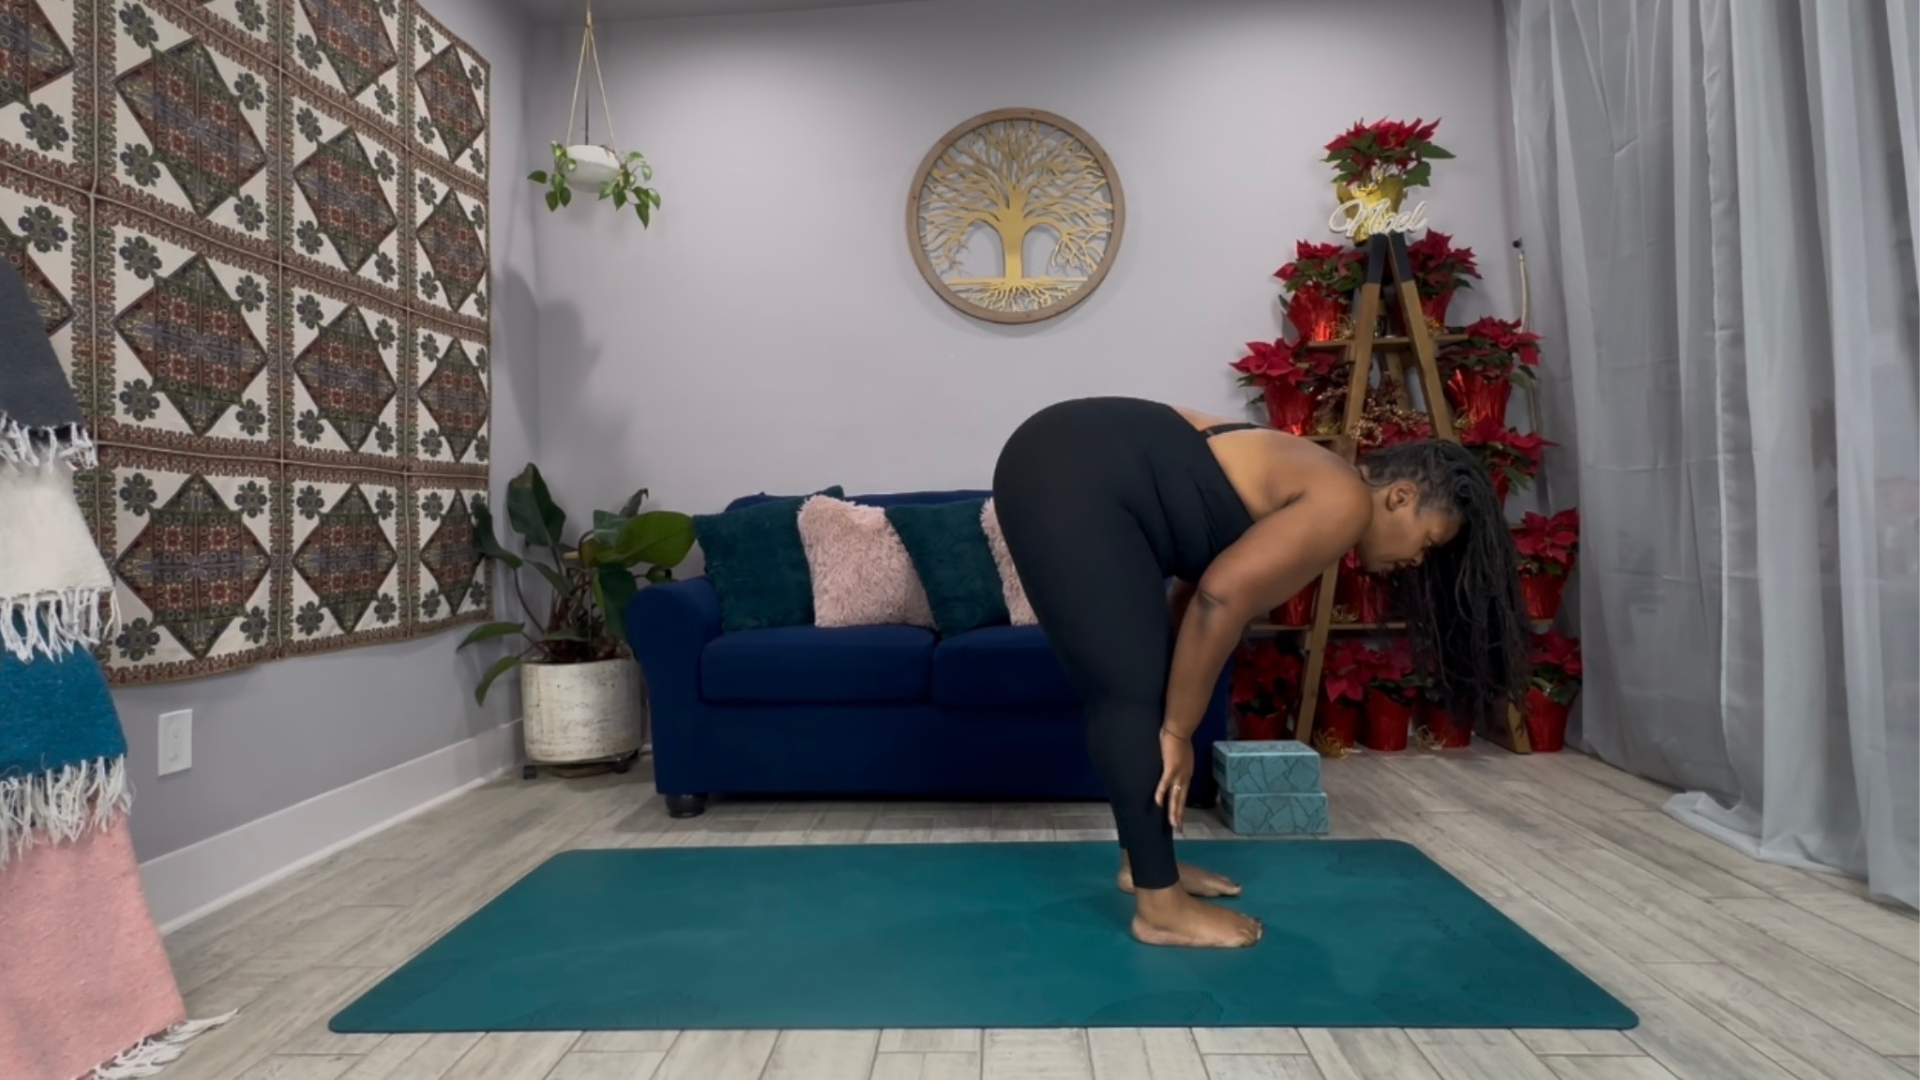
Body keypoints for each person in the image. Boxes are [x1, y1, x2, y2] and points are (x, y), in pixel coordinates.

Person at [991, 396, 1528, 948]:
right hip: (1070, 470)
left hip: (1069, 454)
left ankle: (1145, 866)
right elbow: (1220, 599)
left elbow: (1198, 588)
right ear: (1401, 496)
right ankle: (1159, 909)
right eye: (1429, 543)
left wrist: (1169, 703)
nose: (1418, 561)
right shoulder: (1344, 502)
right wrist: (1176, 731)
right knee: (1127, 693)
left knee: (1144, 678)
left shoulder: (1312, 474)